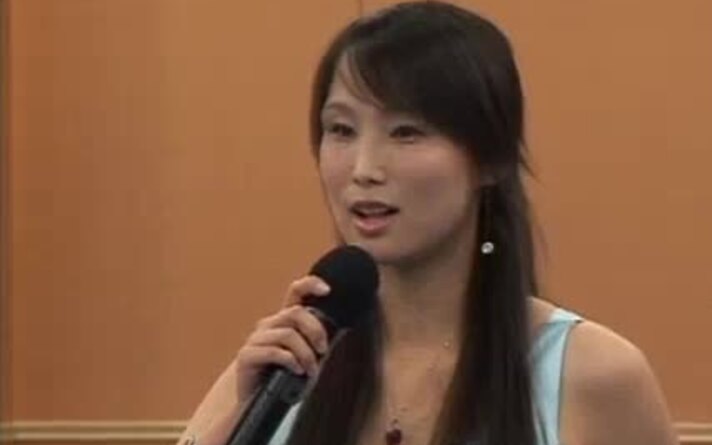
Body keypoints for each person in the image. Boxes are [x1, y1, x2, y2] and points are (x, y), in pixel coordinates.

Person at [179, 2, 678, 444]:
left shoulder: (592, 374)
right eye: (341, 130)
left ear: (491, 160)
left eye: (406, 132)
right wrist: (242, 414)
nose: (364, 169)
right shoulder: (283, 369)